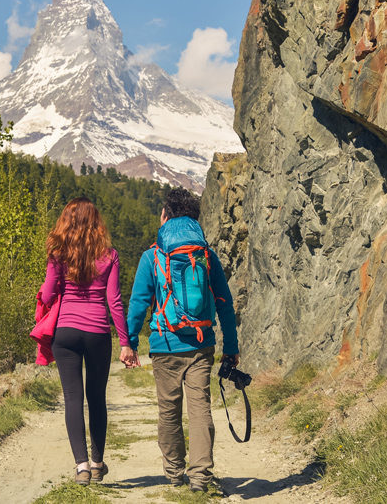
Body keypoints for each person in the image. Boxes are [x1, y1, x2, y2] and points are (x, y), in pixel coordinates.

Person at [121, 188, 240, 494]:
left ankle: (174, 473)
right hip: (202, 344)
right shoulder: (206, 256)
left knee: (169, 410)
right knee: (200, 409)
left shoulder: (153, 256)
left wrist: (129, 342)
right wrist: (231, 348)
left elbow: (138, 303)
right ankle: (201, 477)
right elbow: (225, 303)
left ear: (166, 215)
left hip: (165, 346)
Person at [40, 197, 137, 485]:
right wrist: (125, 343)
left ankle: (81, 466)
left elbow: (46, 295)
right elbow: (115, 301)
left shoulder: (58, 253)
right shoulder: (110, 254)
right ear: (96, 223)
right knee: (96, 398)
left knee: (72, 398)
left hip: (65, 332)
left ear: (66, 221)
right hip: (97, 332)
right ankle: (97, 464)